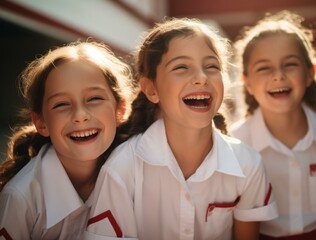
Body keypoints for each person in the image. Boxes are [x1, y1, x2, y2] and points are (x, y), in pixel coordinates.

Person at [84, 17, 278, 240]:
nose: (201, 78)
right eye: (181, 67)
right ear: (151, 89)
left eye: (211, 66)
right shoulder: (122, 169)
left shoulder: (248, 163)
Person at [0, 41, 136, 239]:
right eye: (61, 104)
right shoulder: (20, 199)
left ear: (120, 110)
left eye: (94, 99)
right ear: (41, 122)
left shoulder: (135, 175)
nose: (80, 115)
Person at [229, 10, 316, 239]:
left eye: (290, 64)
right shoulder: (233, 146)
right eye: (264, 68)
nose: (278, 75)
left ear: (310, 73)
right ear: (246, 82)